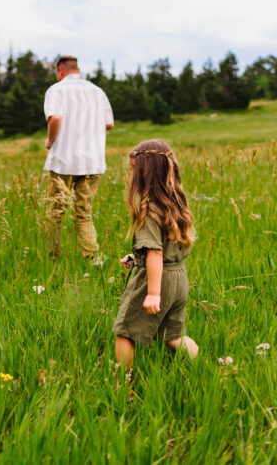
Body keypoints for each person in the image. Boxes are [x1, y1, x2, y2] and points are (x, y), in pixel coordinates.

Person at [113, 139, 199, 368]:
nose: (129, 177)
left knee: (125, 333)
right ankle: (201, 365)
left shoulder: (149, 211)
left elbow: (155, 253)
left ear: (144, 175)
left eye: (132, 172)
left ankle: (124, 387)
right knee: (173, 336)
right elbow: (166, 248)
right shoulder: (177, 205)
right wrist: (136, 258)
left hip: (157, 282)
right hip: (178, 278)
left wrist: (153, 293)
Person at [43, 55, 114, 260]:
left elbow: (55, 117)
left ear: (60, 71)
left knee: (55, 212)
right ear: (77, 69)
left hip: (63, 161)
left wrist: (50, 141)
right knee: (84, 214)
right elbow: (108, 123)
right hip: (92, 161)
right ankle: (92, 259)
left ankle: (52, 258)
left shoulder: (56, 90)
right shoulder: (97, 91)